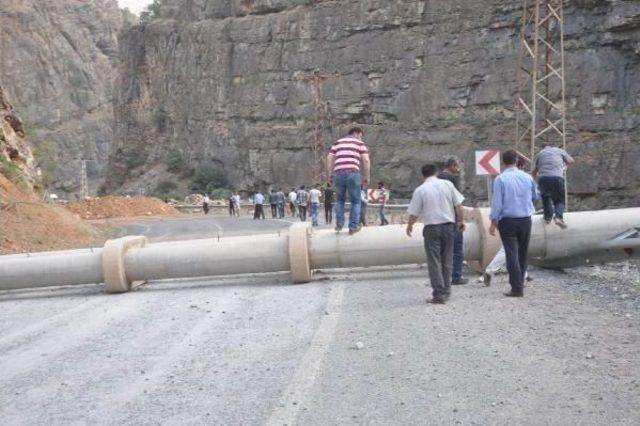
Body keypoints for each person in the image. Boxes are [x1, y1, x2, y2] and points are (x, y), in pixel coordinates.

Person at [406, 163, 466, 304]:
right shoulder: (447, 185)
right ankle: (446, 290)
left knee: (434, 262)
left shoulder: (420, 190)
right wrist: (461, 221)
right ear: (436, 173)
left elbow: (414, 213)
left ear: (423, 176)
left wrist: (409, 225)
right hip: (449, 227)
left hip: (432, 228)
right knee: (447, 260)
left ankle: (438, 294)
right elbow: (459, 205)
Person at [489, 150, 539, 297]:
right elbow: (535, 196)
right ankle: (521, 283)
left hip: (508, 221)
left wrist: (493, 221)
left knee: (511, 254)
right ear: (517, 160)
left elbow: (497, 203)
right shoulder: (527, 177)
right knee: (523, 253)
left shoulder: (500, 179)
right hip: (525, 219)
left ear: (503, 162)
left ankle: (516, 288)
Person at [326, 126, 371, 235]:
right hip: (352, 173)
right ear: (356, 133)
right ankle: (353, 227)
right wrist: (367, 176)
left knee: (340, 200)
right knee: (356, 201)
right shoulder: (359, 144)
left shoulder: (337, 142)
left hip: (338, 174)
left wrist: (329, 176)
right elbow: (365, 160)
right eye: (360, 136)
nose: (360, 138)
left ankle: (339, 224)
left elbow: (329, 158)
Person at [437, 158, 468, 285]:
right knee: (456, 250)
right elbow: (458, 202)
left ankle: (441, 277)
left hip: (438, 219)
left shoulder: (436, 178)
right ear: (453, 166)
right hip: (452, 218)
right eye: (457, 166)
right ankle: (456, 276)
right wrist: (461, 220)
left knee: (441, 250)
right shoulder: (454, 178)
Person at [532, 144, 574, 228]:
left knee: (546, 197)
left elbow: (535, 171)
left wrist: (533, 180)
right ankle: (558, 217)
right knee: (560, 200)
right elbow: (571, 161)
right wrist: (564, 166)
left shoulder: (540, 154)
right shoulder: (559, 151)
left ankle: (548, 217)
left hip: (543, 178)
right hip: (557, 177)